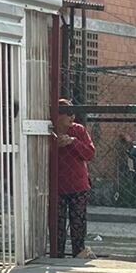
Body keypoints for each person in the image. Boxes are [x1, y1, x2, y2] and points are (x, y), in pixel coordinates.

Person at [55, 99, 96, 259]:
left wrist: (73, 142)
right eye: (68, 114)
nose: (72, 118)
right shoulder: (49, 131)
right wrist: (54, 145)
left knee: (78, 223)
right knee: (57, 224)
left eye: (73, 114)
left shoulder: (78, 130)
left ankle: (78, 252)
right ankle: (56, 253)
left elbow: (90, 153)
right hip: (57, 185)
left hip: (78, 185)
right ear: (57, 116)